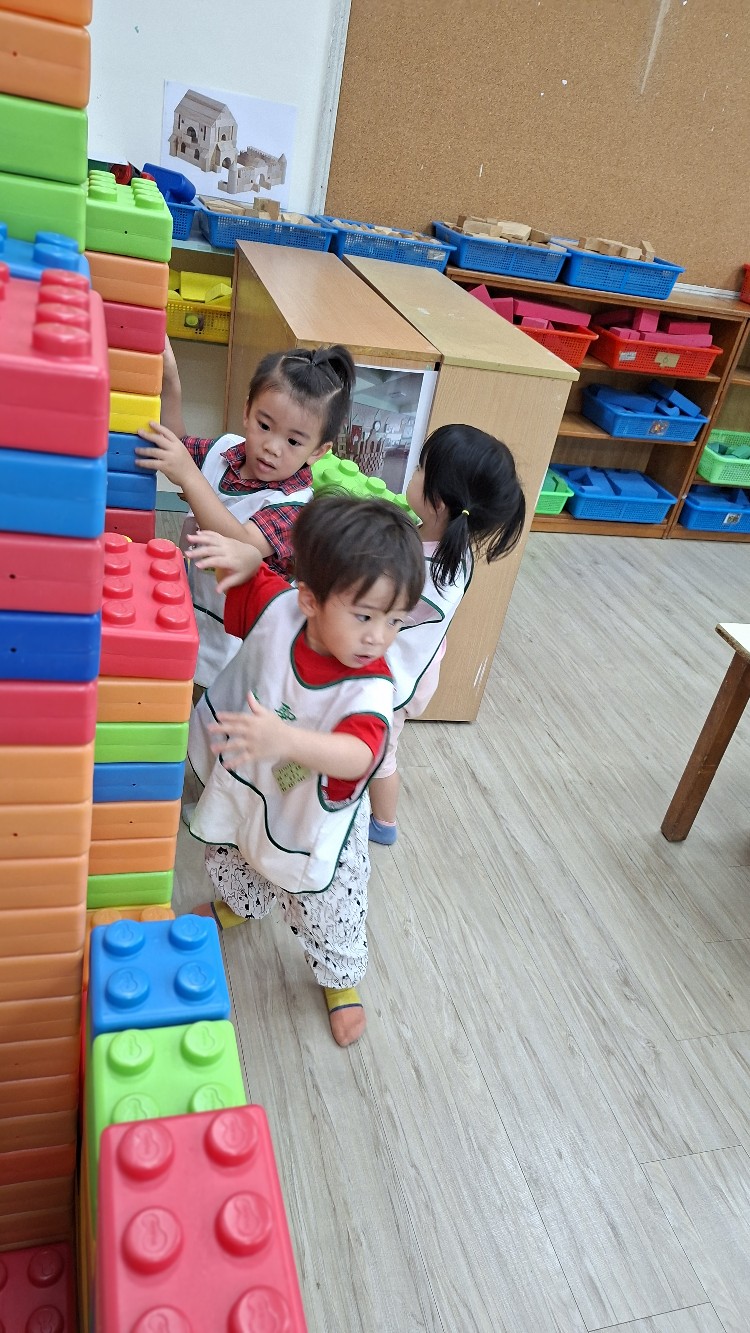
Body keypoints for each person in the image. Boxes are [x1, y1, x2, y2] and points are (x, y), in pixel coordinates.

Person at [183, 495, 425, 1047]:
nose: (378, 637)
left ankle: (340, 980)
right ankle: (241, 904)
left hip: (318, 815)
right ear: (310, 599)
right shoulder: (283, 609)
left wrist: (288, 739)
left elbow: (360, 756)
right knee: (239, 849)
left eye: (394, 621)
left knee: (325, 906)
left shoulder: (370, 686)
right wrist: (243, 561)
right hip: (259, 783)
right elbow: (252, 582)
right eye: (364, 616)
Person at [135, 339, 356, 687]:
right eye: (264, 425)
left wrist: (189, 476)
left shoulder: (294, 506)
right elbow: (173, 443)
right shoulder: (226, 452)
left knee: (210, 706)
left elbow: (240, 543)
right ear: (247, 411)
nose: (272, 446)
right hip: (187, 612)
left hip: (238, 648)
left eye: (294, 441)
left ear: (318, 451)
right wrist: (171, 381)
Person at [368, 423, 526, 846]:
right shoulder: (445, 541)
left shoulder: (432, 575)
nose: (413, 473)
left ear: (438, 501)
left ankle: (383, 823)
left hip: (397, 677)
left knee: (381, 754)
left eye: (421, 469)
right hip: (414, 660)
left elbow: (378, 608)